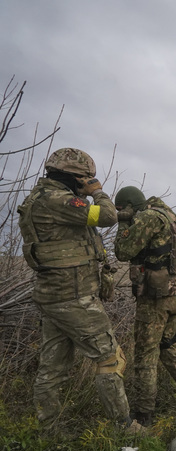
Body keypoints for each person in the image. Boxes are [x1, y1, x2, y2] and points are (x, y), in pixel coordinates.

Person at [16, 147, 140, 433]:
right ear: (75, 178)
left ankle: (49, 429)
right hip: (73, 298)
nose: (89, 184)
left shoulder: (40, 198)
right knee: (110, 357)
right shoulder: (59, 200)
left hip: (53, 295)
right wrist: (97, 191)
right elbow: (108, 216)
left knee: (53, 366)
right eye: (86, 179)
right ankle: (124, 427)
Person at [113, 186, 176, 426]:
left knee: (145, 355)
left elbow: (122, 250)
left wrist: (123, 222)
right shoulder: (168, 216)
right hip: (172, 294)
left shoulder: (147, 218)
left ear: (129, 207)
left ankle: (144, 415)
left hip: (154, 298)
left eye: (121, 209)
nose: (120, 213)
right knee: (167, 346)